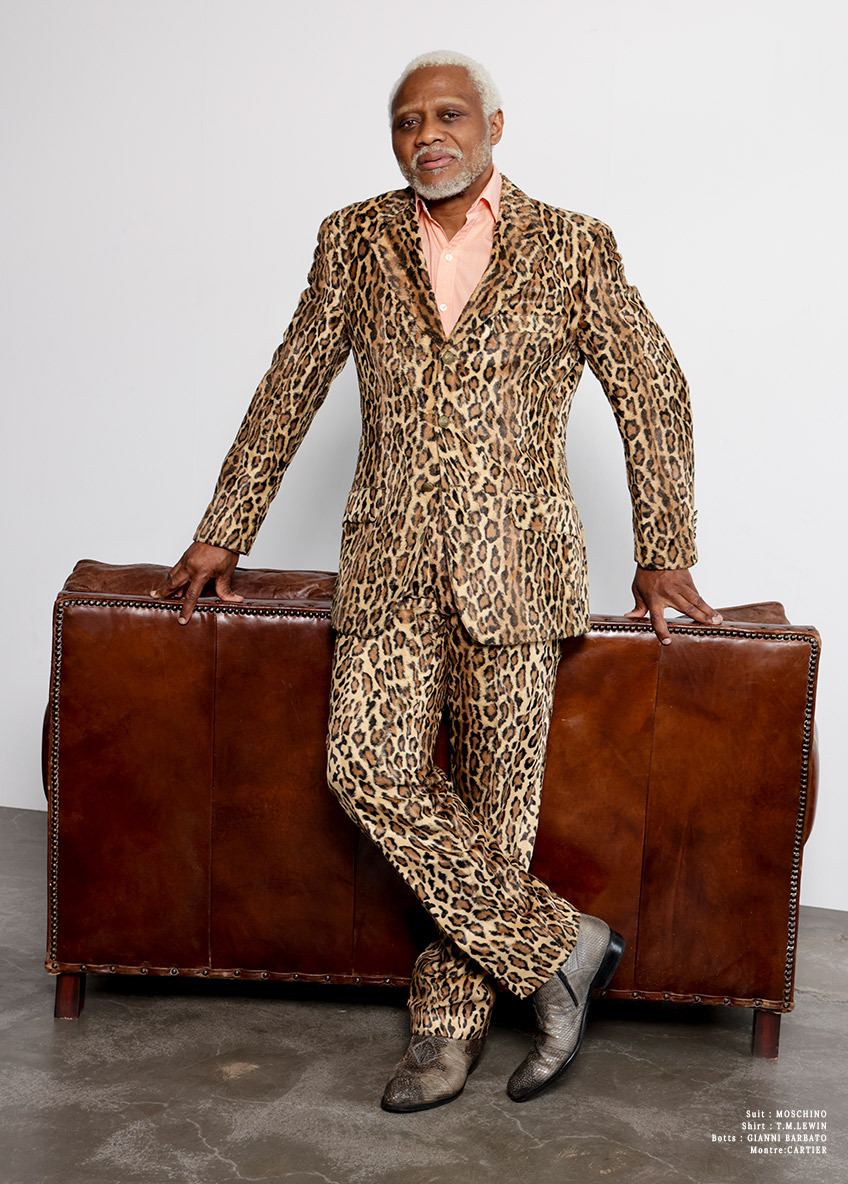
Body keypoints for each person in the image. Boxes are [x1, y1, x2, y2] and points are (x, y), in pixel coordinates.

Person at [153, 49, 721, 1112]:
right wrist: (224, 529)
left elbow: (651, 384)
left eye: (448, 115)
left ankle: (448, 1032)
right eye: (407, 121)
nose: (427, 136)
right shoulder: (353, 238)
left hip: (520, 571)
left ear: (494, 126)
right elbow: (290, 384)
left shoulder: (574, 244)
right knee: (366, 768)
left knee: (495, 814)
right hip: (390, 564)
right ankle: (563, 948)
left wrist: (664, 545)